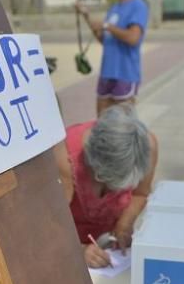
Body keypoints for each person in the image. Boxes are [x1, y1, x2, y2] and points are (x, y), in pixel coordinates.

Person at [55, 105, 158, 268]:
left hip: (106, 249)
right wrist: (78, 251)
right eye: (112, 184)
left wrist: (124, 224)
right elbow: (47, 226)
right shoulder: (63, 161)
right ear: (96, 168)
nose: (116, 193)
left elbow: (140, 193)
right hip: (67, 247)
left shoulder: (146, 147)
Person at [76, 0, 149, 116]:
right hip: (107, 72)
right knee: (101, 123)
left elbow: (133, 38)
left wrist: (107, 26)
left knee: (122, 126)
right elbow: (105, 40)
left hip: (125, 73)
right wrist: (87, 16)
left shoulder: (138, 6)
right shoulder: (114, 8)